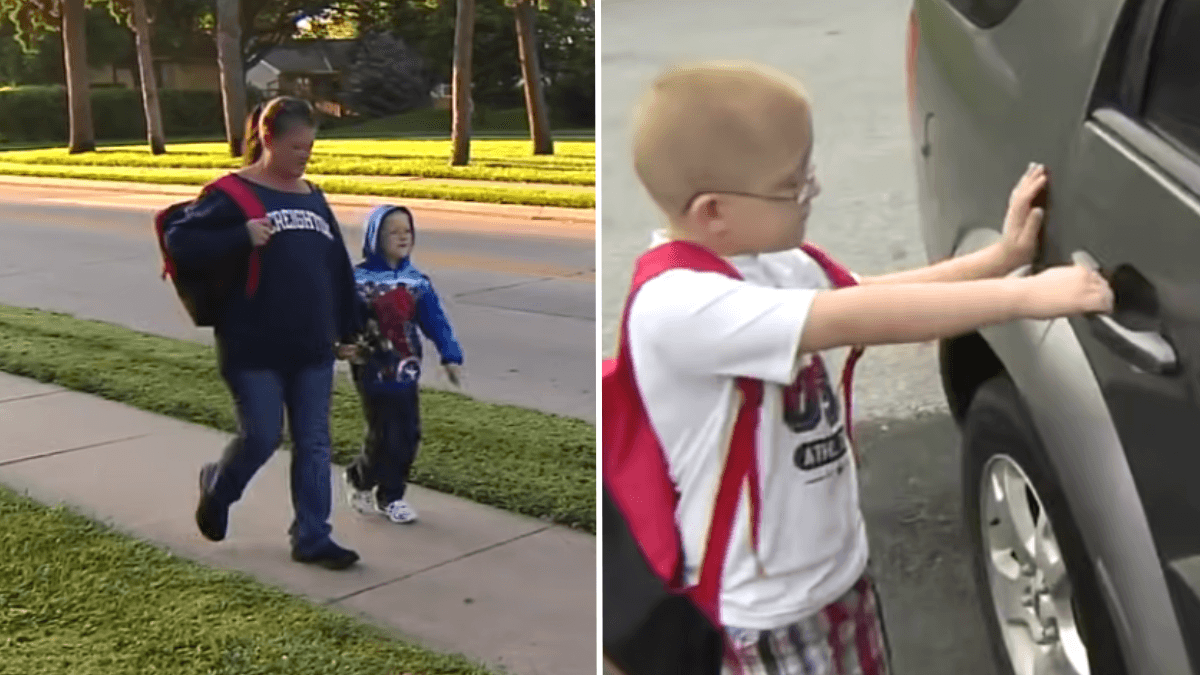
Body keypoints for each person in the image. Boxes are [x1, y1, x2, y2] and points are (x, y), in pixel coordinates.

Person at [621, 61, 1113, 673]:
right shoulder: (681, 306)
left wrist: (1000, 258)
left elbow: (872, 292)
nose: (813, 192)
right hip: (768, 614)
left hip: (836, 575)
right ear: (712, 211)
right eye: (792, 186)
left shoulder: (771, 262)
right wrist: (1027, 297)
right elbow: (862, 318)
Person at [163, 96, 365, 570]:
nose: (305, 157)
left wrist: (349, 326)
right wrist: (240, 236)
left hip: (312, 343)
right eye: (297, 147)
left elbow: (335, 267)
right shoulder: (230, 195)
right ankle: (219, 486)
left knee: (314, 442)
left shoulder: (312, 195)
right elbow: (181, 242)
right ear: (268, 139)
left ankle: (313, 536)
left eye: (310, 148)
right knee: (261, 436)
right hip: (252, 343)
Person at [342, 204, 464, 524]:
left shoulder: (417, 282)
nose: (402, 237)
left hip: (406, 368)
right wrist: (340, 346)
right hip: (371, 368)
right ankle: (360, 478)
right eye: (392, 232)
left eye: (407, 231)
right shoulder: (358, 280)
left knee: (408, 433)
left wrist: (450, 355)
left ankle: (392, 496)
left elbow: (435, 321)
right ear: (375, 238)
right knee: (382, 433)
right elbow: (340, 319)